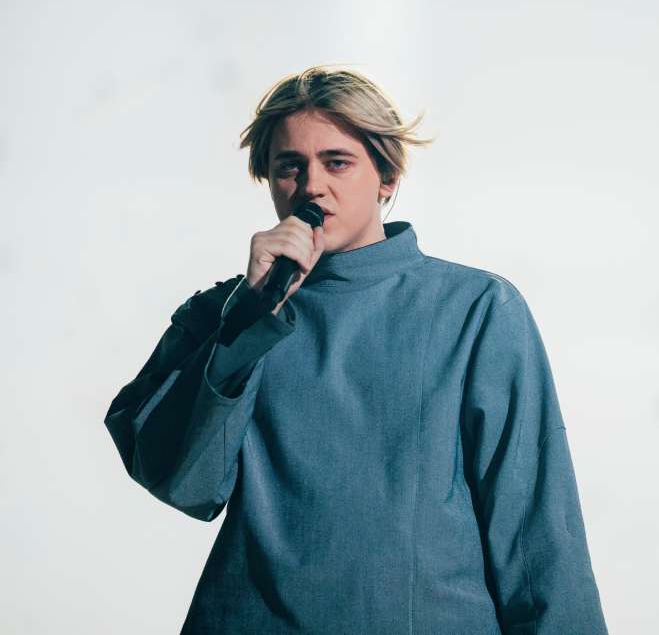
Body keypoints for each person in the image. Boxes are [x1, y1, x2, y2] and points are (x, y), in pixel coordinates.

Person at [103, 65, 608, 634]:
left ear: (387, 176)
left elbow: (537, 536)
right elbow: (183, 484)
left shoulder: (476, 309)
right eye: (289, 166)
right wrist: (247, 321)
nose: (312, 186)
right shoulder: (222, 314)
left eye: (337, 162)